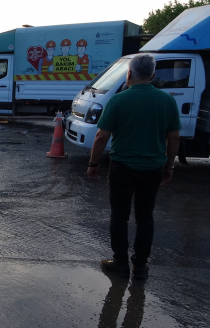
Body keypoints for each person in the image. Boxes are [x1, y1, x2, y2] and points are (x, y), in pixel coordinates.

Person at [87, 54, 180, 280]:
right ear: (153, 75)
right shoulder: (167, 100)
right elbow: (174, 137)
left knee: (119, 216)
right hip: (153, 168)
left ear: (129, 74)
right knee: (145, 217)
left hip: (122, 168)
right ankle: (140, 266)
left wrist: (93, 164)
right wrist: (169, 166)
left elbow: (101, 137)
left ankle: (120, 263)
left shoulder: (118, 100)